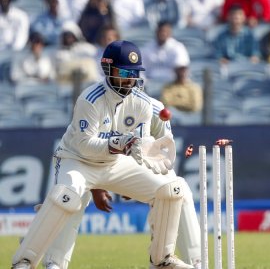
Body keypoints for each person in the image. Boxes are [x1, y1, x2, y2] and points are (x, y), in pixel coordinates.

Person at [11, 40, 193, 269]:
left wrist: (141, 161)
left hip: (115, 163)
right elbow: (86, 145)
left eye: (134, 73)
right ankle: (26, 261)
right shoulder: (90, 99)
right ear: (108, 69)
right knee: (67, 197)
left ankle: (162, 260)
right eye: (124, 72)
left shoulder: (143, 104)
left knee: (170, 189)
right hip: (76, 160)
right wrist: (118, 144)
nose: (130, 79)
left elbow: (138, 144)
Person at [40, 97, 202, 269]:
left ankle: (194, 262)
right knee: (73, 194)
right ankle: (53, 261)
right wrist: (97, 187)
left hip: (132, 164)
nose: (128, 88)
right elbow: (89, 148)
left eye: (133, 82)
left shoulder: (155, 110)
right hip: (87, 161)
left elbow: (162, 156)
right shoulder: (101, 103)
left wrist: (138, 179)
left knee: (177, 188)